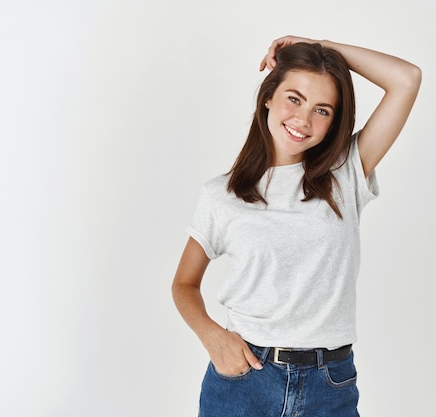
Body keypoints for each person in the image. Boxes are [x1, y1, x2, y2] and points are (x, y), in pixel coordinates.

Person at [171, 35, 421, 417]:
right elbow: (183, 284)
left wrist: (322, 46)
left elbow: (406, 78)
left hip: (330, 385)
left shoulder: (346, 173)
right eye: (294, 98)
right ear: (268, 96)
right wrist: (212, 337)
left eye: (323, 110)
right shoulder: (222, 195)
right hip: (244, 380)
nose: (303, 120)